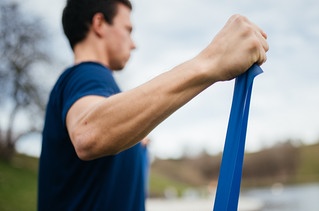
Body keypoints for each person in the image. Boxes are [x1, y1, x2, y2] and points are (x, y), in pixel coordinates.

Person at [37, 0, 269, 210]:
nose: (133, 44)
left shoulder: (94, 90)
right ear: (99, 23)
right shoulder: (87, 74)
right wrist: (211, 61)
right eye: (128, 30)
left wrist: (136, 145)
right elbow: (89, 133)